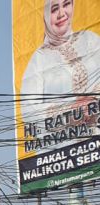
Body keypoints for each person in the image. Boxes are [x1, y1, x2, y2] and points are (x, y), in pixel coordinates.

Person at [20, 0, 100, 139]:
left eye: (66, 4)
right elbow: (28, 110)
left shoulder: (90, 39)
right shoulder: (39, 58)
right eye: (54, 9)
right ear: (45, 15)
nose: (61, 14)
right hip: (62, 149)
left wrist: (92, 99)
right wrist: (70, 111)